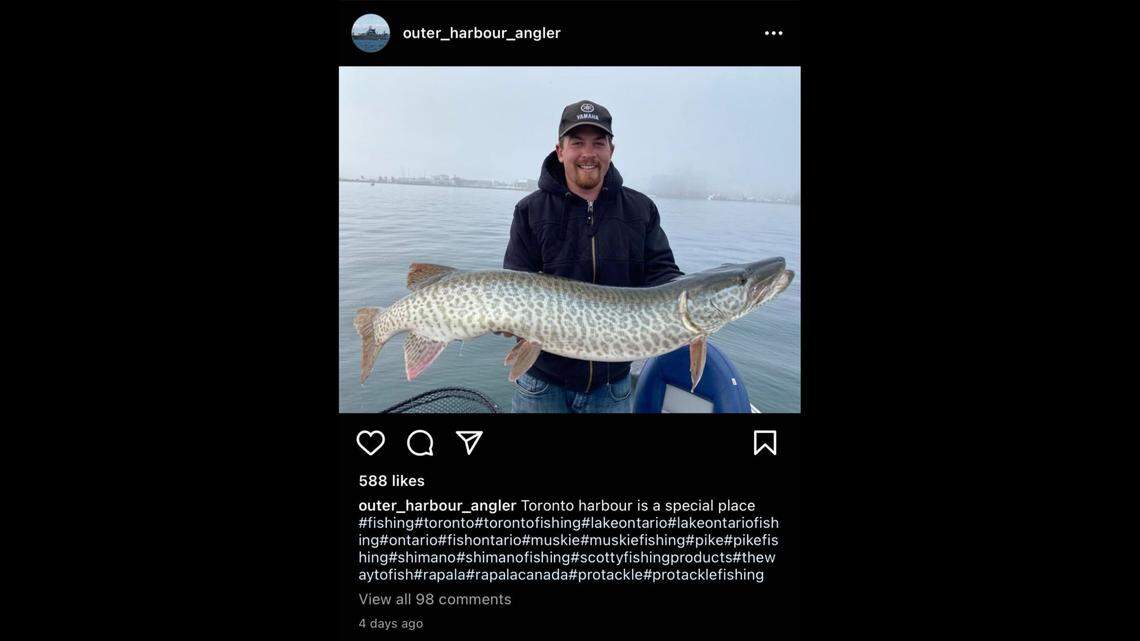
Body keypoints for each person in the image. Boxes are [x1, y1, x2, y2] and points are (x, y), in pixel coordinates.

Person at [502, 99, 684, 413]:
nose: (588, 153)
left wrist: (683, 298)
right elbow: (514, 282)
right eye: (577, 143)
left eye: (598, 143)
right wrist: (504, 319)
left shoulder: (641, 210)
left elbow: (663, 274)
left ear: (611, 150)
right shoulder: (530, 211)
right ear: (560, 151)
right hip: (540, 383)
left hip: (610, 387)